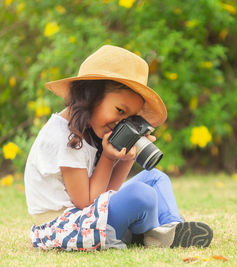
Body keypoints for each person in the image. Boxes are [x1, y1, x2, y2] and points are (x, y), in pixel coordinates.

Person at [24, 45, 213, 251]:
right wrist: (108, 158)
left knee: (156, 179)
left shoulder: (86, 129)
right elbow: (86, 204)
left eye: (129, 118)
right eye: (120, 111)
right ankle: (149, 233)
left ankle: (171, 228)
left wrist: (128, 154)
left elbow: (108, 193)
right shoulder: (66, 136)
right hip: (66, 226)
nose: (121, 124)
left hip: (93, 217)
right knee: (141, 194)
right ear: (91, 95)